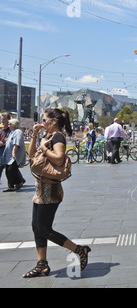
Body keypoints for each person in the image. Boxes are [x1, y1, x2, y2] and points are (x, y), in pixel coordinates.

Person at [23, 108, 91, 278]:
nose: (42, 122)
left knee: (44, 229)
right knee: (36, 227)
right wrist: (34, 136)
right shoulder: (46, 137)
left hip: (50, 190)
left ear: (53, 121)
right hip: (41, 189)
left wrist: (44, 149)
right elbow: (31, 156)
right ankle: (42, 264)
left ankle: (79, 250)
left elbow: (59, 158)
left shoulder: (58, 136)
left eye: (44, 119)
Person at [2, 119, 26, 192]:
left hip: (15, 155)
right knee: (8, 171)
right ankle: (11, 187)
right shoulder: (12, 132)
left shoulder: (18, 132)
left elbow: (17, 143)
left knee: (11, 170)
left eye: (10, 124)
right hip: (9, 156)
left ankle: (20, 181)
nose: (8, 125)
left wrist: (13, 152)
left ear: (14, 125)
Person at [0, 112, 11, 185]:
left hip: (8, 150)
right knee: (1, 165)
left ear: (8, 120)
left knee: (9, 167)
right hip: (1, 150)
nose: (2, 120)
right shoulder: (1, 130)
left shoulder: (11, 130)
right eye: (1, 119)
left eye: (4, 119)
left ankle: (19, 180)